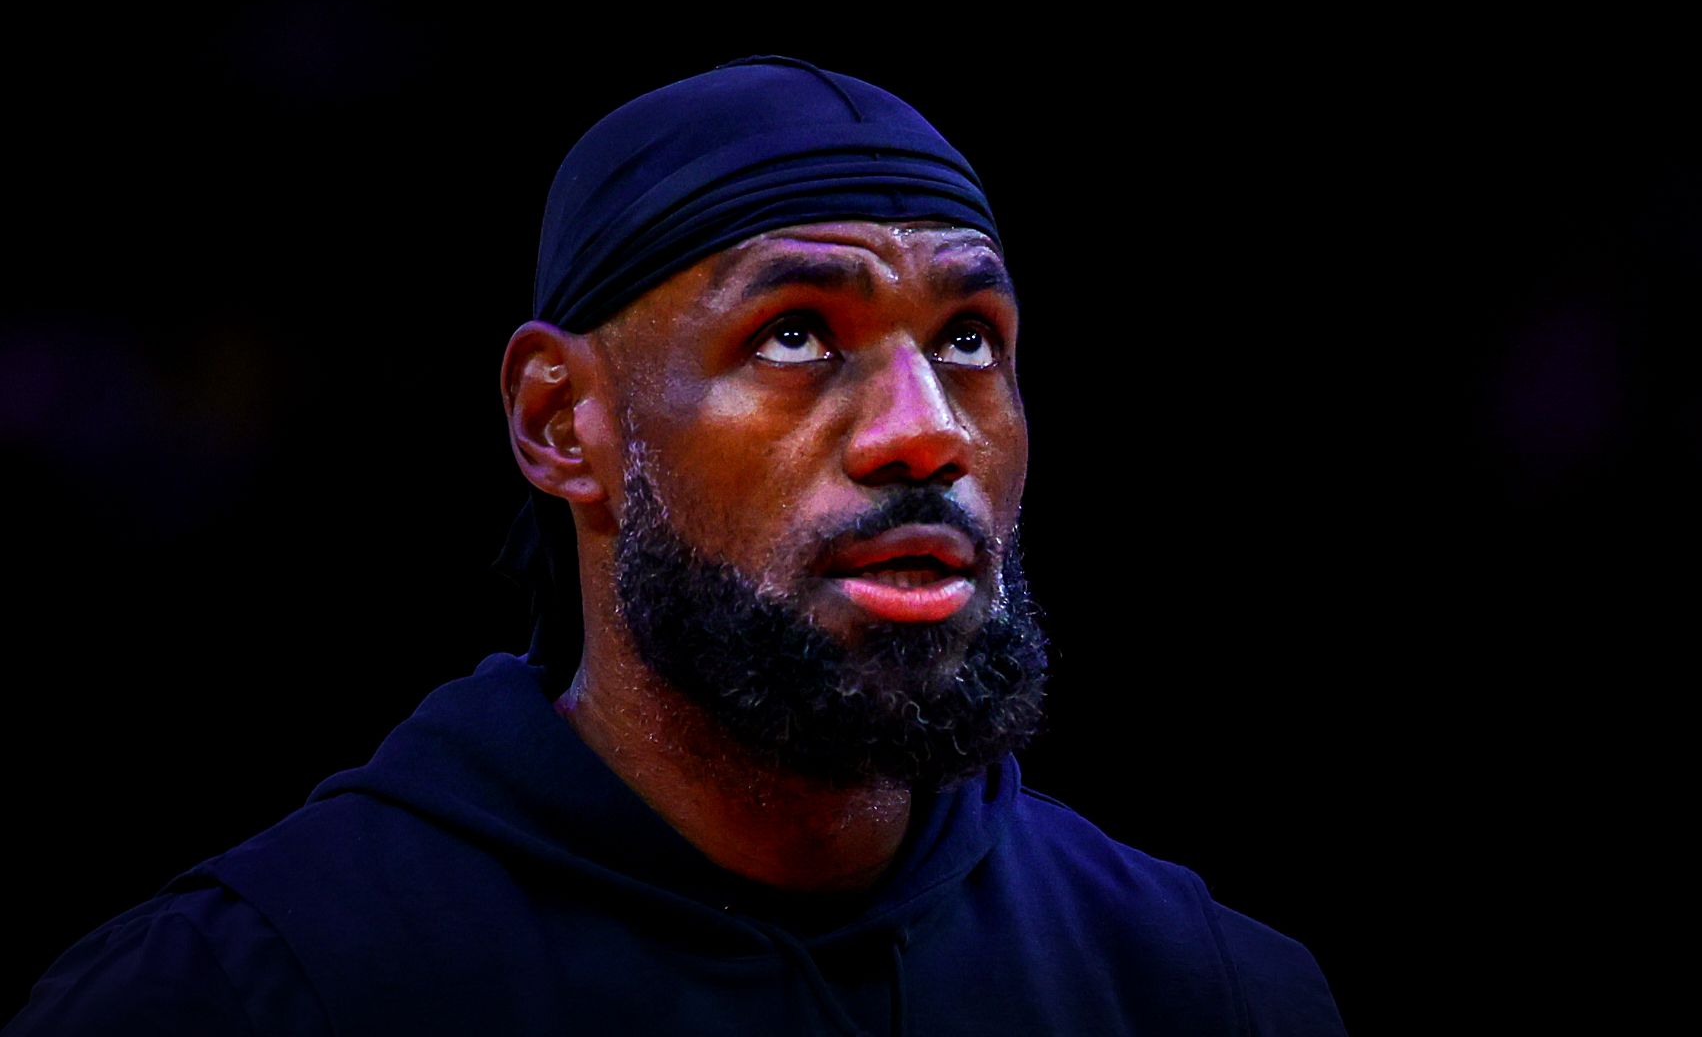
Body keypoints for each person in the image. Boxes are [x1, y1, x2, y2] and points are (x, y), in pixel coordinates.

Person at [5, 55, 1346, 1036]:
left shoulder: (1208, 991)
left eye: (968, 341)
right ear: (561, 423)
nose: (923, 432)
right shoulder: (249, 992)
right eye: (798, 334)